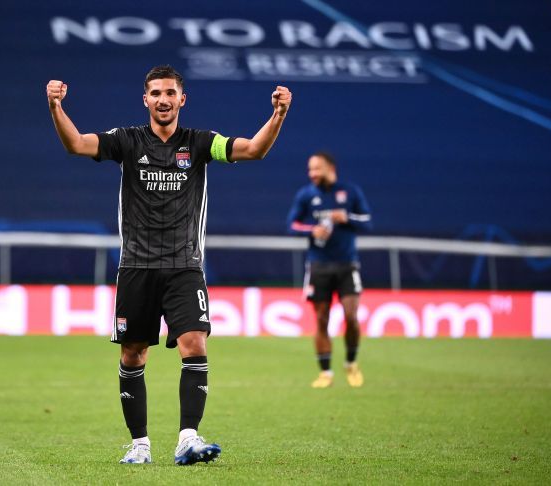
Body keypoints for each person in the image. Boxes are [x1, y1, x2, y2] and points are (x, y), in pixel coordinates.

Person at [46, 65, 291, 465]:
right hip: (137, 267)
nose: (163, 99)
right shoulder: (125, 141)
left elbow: (253, 150)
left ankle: (187, 439)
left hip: (184, 265)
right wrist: (56, 106)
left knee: (195, 344)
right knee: (133, 355)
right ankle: (139, 445)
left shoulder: (200, 143)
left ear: (182, 99)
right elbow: (76, 144)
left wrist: (278, 115)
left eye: (170, 93)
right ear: (145, 99)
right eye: (156, 93)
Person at [286, 152, 372, 388]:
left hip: (347, 264)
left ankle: (351, 363)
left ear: (330, 168)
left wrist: (346, 217)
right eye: (310, 169)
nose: (312, 173)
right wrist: (311, 231)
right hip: (318, 265)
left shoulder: (350, 191)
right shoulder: (306, 195)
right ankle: (326, 373)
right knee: (321, 319)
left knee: (351, 316)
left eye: (317, 169)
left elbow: (367, 222)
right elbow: (291, 225)